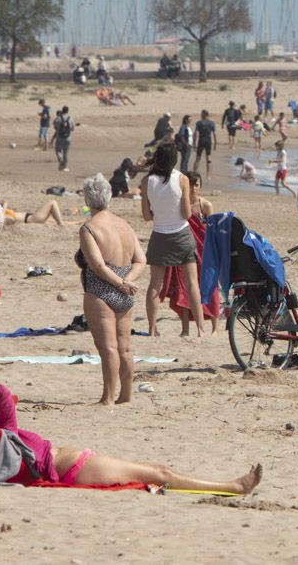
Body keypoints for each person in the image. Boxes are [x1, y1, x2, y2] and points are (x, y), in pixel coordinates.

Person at [0, 384, 262, 492]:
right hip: (79, 469)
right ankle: (233, 486)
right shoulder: (4, 437)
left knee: (159, 471)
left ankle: (232, 485)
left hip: (77, 466)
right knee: (160, 473)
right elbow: (3, 393)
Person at [76, 174, 146, 405]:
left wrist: (119, 282)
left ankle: (108, 397)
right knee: (125, 348)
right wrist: (127, 281)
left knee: (108, 348)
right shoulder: (123, 223)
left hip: (101, 290)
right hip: (125, 291)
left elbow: (97, 265)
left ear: (88, 200)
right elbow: (140, 260)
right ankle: (126, 395)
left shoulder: (89, 228)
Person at [141, 144, 205, 337]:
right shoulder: (182, 179)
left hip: (159, 236)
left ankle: (152, 329)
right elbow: (186, 214)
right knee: (192, 283)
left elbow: (146, 215)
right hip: (181, 235)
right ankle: (201, 329)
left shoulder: (147, 181)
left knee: (155, 284)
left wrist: (159, 211)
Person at [160, 171, 220, 336]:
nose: (194, 188)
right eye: (191, 184)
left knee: (210, 287)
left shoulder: (205, 206)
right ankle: (185, 329)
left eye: (197, 184)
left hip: (203, 251)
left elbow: (212, 231)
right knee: (183, 288)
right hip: (185, 251)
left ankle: (215, 328)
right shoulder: (180, 205)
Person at [192, 109, 217, 179]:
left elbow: (196, 134)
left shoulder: (199, 123)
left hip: (201, 140)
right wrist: (215, 143)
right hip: (208, 141)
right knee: (208, 158)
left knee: (198, 158)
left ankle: (194, 173)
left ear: (203, 114)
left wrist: (194, 143)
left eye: (201, 114)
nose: (200, 115)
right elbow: (214, 134)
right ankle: (208, 175)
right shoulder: (212, 123)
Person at [2, 199, 68, 225]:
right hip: (31, 219)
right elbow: (9, 219)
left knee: (54, 221)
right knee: (53, 203)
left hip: (31, 217)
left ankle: (76, 223)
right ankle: (61, 224)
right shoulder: (1, 214)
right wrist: (5, 205)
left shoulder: (1, 210)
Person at [55, 106, 74, 171]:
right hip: (68, 137)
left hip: (59, 137)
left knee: (58, 150)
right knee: (65, 152)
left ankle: (61, 160)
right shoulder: (70, 118)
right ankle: (65, 166)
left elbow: (55, 128)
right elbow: (73, 128)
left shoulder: (58, 118)